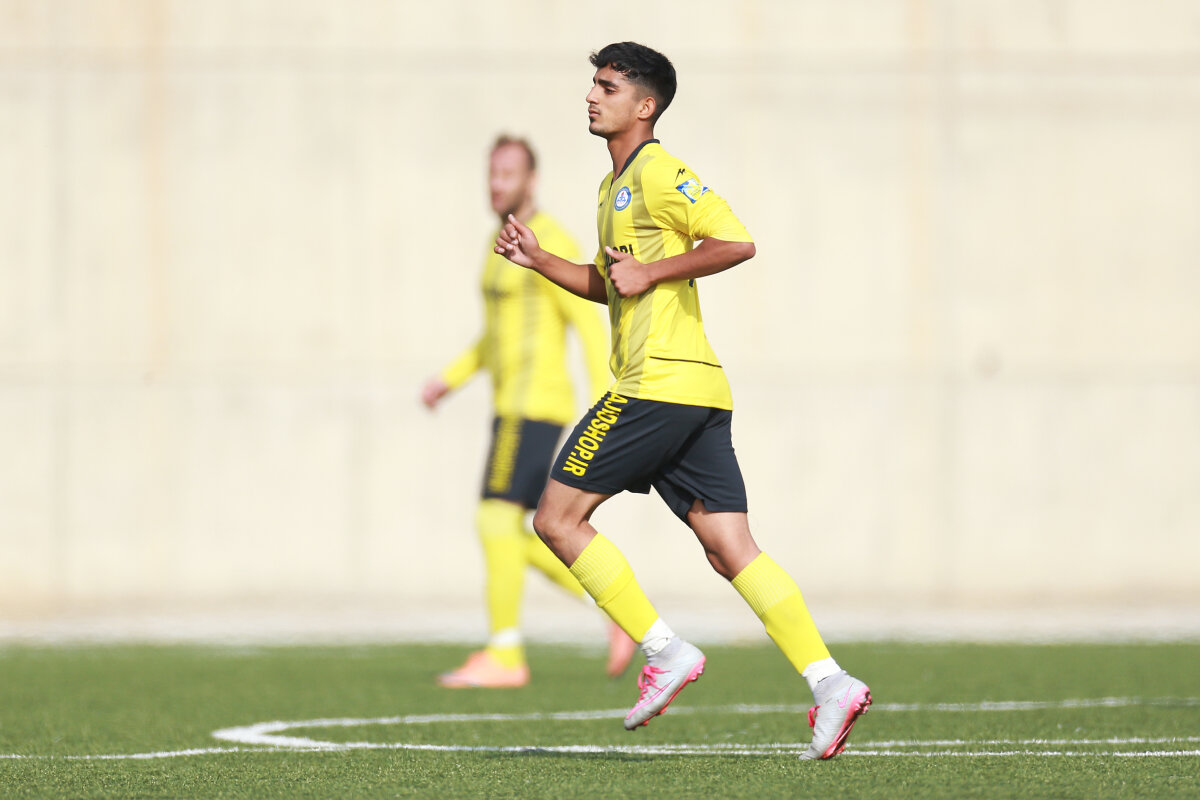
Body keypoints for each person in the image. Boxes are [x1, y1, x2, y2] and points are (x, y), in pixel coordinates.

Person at [494, 43, 871, 760]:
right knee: (731, 549)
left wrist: (654, 271)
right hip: (695, 392)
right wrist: (539, 259)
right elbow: (612, 283)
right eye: (592, 83)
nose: (591, 95)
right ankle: (831, 682)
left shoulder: (659, 172)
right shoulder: (611, 187)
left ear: (646, 106)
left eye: (608, 86)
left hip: (655, 386)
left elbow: (736, 242)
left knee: (555, 519)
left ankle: (663, 649)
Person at [423, 134, 635, 689]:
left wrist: (607, 400)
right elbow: (494, 337)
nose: (497, 184)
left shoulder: (551, 241)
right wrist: (448, 380)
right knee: (519, 532)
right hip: (508, 409)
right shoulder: (498, 245)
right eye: (492, 174)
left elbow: (587, 321)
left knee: (495, 521)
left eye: (508, 174)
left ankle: (506, 654)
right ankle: (618, 608)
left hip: (535, 407)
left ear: (531, 180)